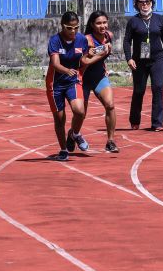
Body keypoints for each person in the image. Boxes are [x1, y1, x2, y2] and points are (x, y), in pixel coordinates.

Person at [123, 0, 163, 132]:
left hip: (157, 59)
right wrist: (129, 58)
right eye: (141, 2)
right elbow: (127, 40)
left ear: (152, 3)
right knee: (139, 91)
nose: (145, 4)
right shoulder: (133, 21)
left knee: (158, 88)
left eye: (147, 1)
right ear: (137, 5)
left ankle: (157, 123)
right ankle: (135, 120)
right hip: (139, 61)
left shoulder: (159, 19)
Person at [45, 11, 89, 161]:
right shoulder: (55, 40)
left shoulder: (82, 40)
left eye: (76, 27)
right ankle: (63, 150)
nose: (73, 31)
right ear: (63, 26)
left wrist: (95, 57)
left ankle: (74, 133)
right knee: (59, 119)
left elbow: (84, 60)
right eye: (69, 28)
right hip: (55, 83)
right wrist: (66, 70)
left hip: (73, 81)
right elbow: (55, 64)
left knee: (79, 111)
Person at [81, 10, 119, 153]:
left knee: (110, 105)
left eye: (104, 22)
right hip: (83, 79)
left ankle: (110, 141)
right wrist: (101, 53)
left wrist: (104, 61)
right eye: (98, 23)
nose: (102, 26)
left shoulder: (109, 36)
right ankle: (73, 134)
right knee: (81, 114)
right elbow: (84, 62)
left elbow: (102, 57)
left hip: (99, 77)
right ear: (92, 24)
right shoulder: (86, 40)